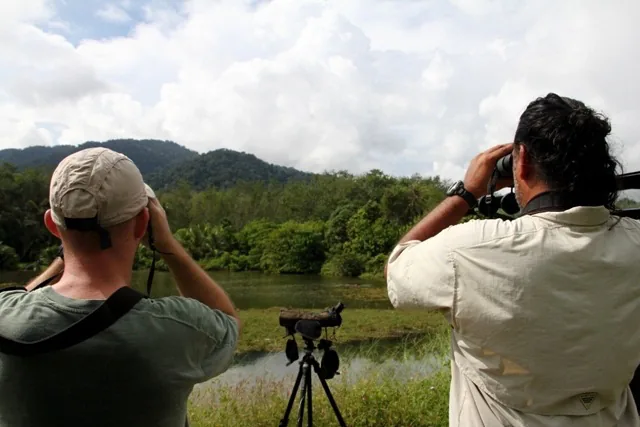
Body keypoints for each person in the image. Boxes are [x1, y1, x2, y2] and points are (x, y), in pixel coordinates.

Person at [385, 93, 640, 427]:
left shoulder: (469, 250)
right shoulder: (634, 241)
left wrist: (465, 194)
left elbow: (397, 269)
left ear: (521, 163)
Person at [0, 147, 242, 427]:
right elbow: (228, 322)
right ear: (143, 224)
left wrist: (63, 257)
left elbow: (23, 303)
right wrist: (167, 244)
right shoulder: (174, 329)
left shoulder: (5, 318)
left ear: (51, 225)